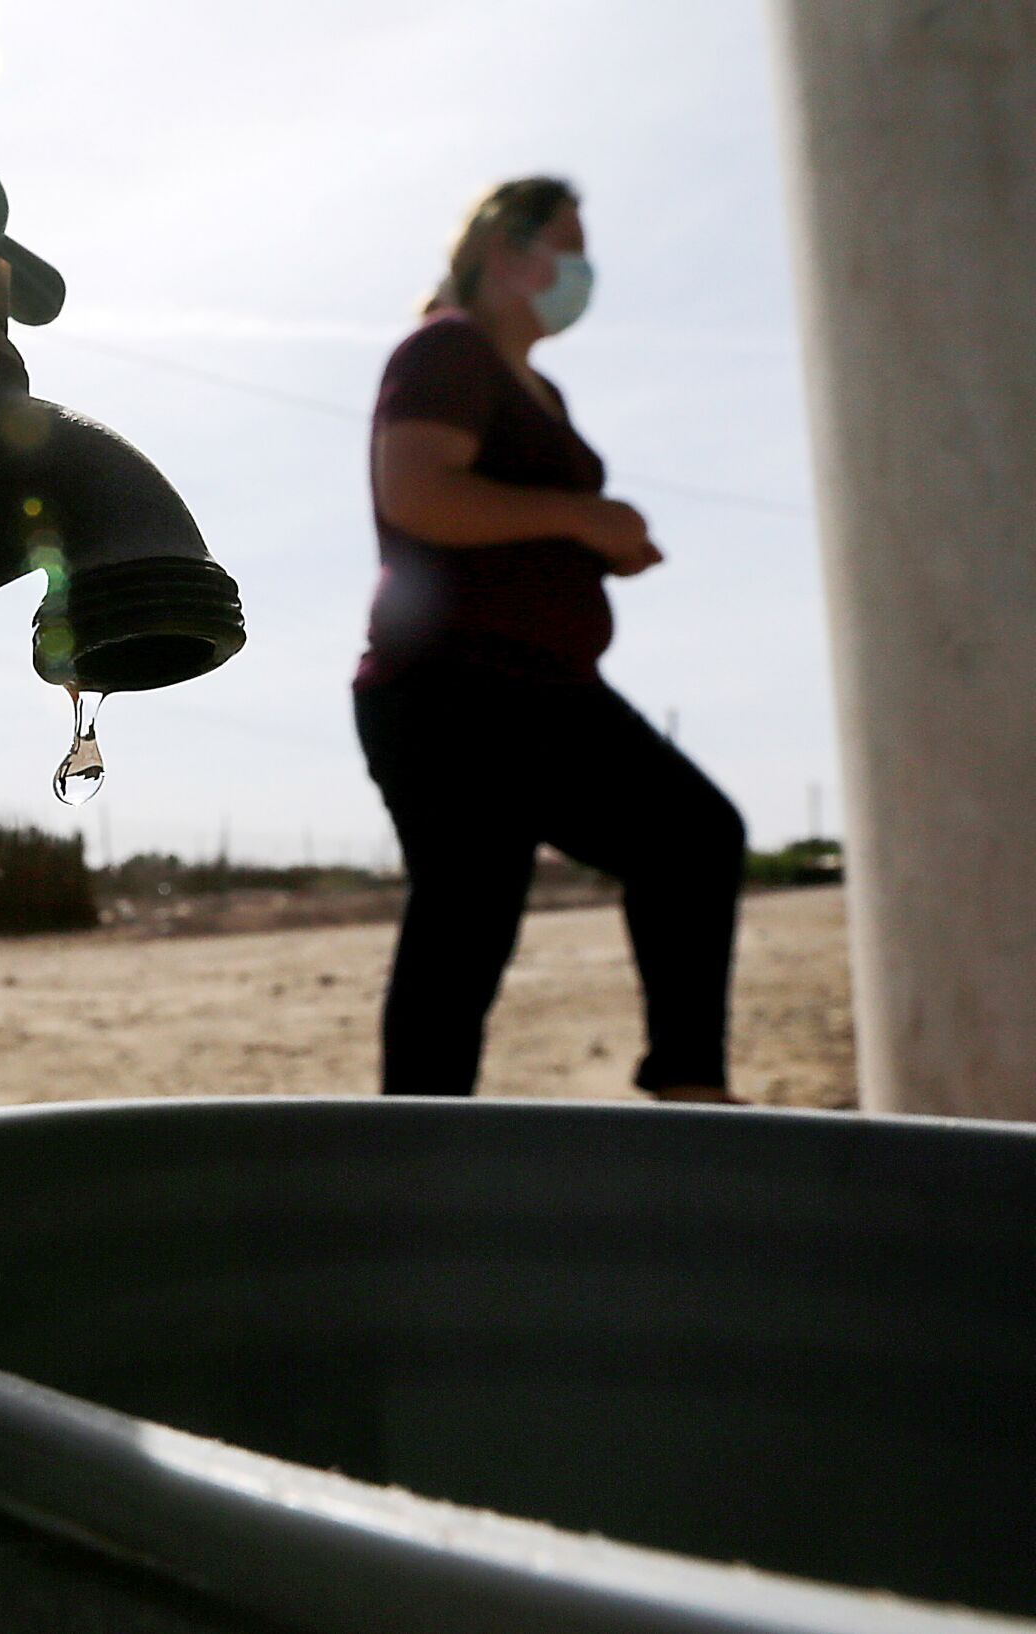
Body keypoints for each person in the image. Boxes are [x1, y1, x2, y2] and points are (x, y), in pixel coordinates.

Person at [354, 176, 747, 1103]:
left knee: (692, 838)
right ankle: (415, 1152)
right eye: (567, 247)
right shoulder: (447, 350)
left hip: (545, 685)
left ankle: (690, 1086)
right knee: (468, 919)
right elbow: (415, 494)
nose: (583, 270)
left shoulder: (543, 390)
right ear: (505, 255)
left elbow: (519, 520)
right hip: (454, 687)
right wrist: (582, 515)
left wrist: (593, 541)